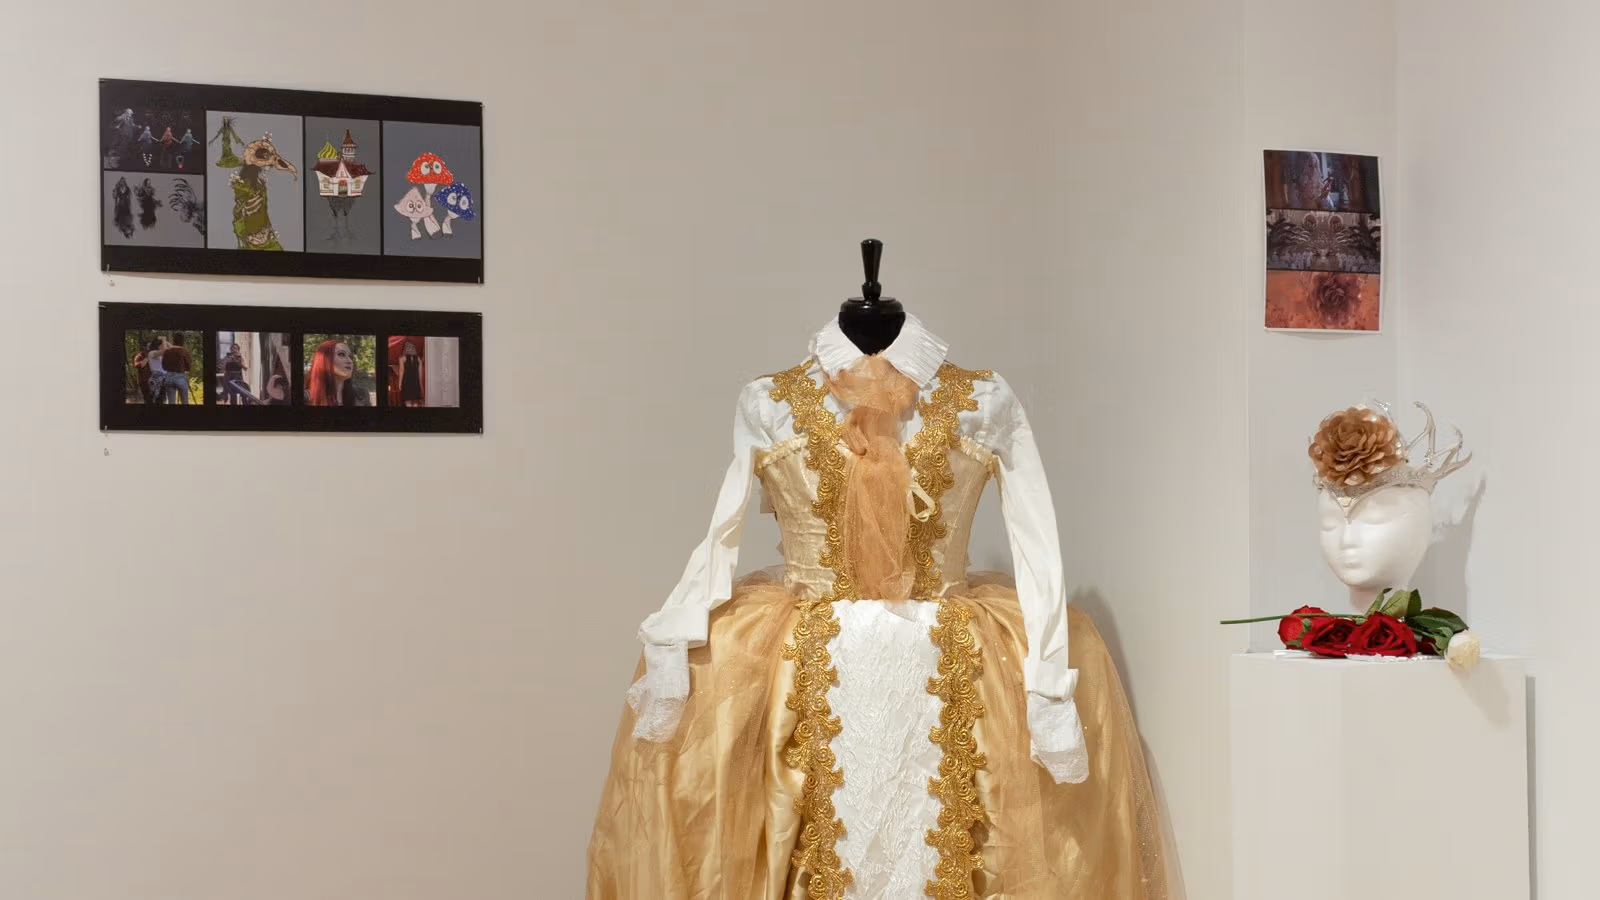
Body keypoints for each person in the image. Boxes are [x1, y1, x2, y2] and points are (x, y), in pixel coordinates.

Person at [305, 339, 370, 407]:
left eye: (350, 356)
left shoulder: (361, 395)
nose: (350, 361)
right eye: (341, 354)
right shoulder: (306, 398)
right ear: (324, 360)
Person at [160, 336, 193, 405]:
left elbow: (163, 367)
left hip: (168, 377)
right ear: (183, 341)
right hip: (180, 377)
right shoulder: (183, 351)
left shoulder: (167, 351)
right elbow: (189, 367)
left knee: (171, 402)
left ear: (173, 341)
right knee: (184, 401)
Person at [393, 340, 424, 407]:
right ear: (413, 348)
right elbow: (420, 373)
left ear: (405, 348)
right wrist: (420, 384)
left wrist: (400, 383)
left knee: (408, 402)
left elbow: (401, 371)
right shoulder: (418, 359)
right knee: (415, 402)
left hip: (406, 382)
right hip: (416, 383)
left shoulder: (402, 358)